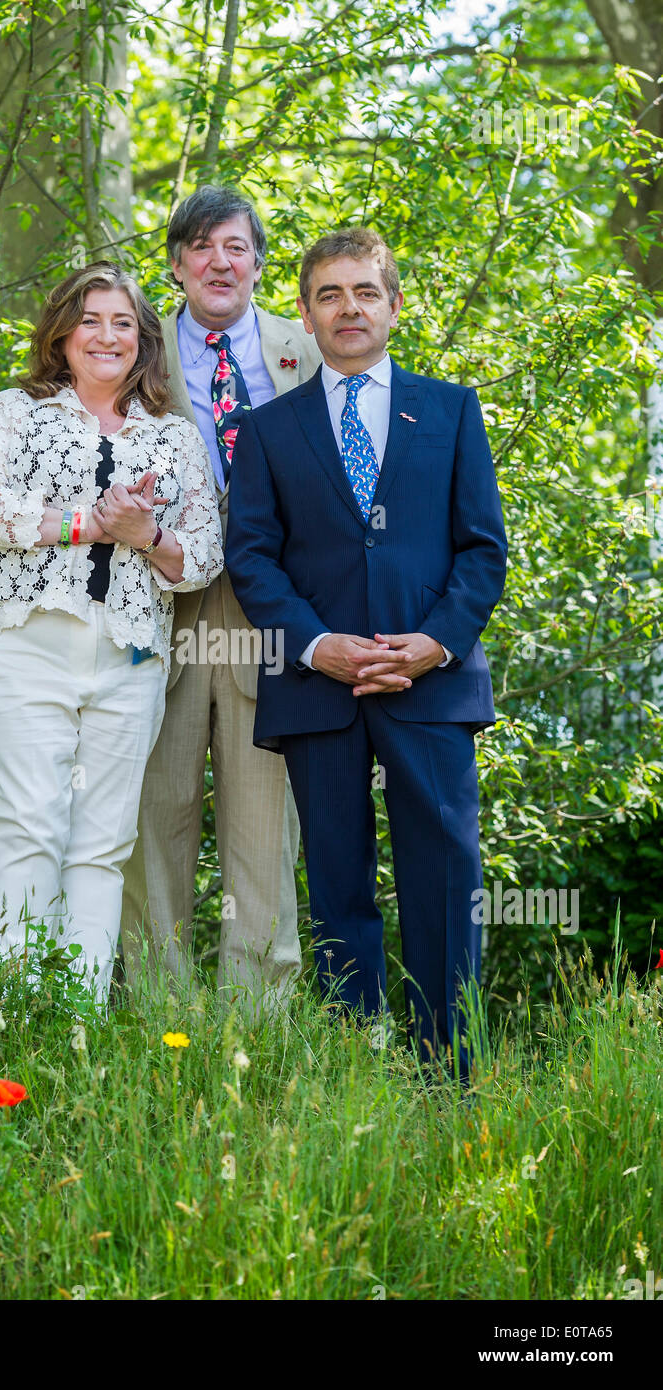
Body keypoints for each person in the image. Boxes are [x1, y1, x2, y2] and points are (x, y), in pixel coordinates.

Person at [224, 228, 508, 1081]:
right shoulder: (266, 431)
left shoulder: (451, 410)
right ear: (305, 316)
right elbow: (252, 557)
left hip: (431, 685)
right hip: (318, 690)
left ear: (393, 305)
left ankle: (446, 1078)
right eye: (329, 295)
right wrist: (318, 646)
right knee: (337, 886)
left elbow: (482, 550)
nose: (349, 308)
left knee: (445, 879)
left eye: (365, 292)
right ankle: (356, 1080)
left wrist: (432, 644)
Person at [0, 262, 223, 1007]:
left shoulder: (175, 438)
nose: (108, 336)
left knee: (103, 845)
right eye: (92, 320)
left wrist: (147, 532)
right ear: (64, 334)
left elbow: (202, 556)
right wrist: (85, 524)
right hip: (25, 646)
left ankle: (76, 1022)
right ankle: (6, 1018)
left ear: (145, 343)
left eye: (124, 324)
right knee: (30, 825)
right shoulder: (15, 411)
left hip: (130, 658)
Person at [120, 186, 321, 1016]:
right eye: (200, 247)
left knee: (263, 831)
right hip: (153, 611)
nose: (219, 262)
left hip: (269, 618)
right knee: (149, 822)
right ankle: (161, 1016)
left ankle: (260, 1029)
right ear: (176, 264)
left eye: (235, 247)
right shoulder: (134, 348)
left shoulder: (303, 352)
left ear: (259, 263)